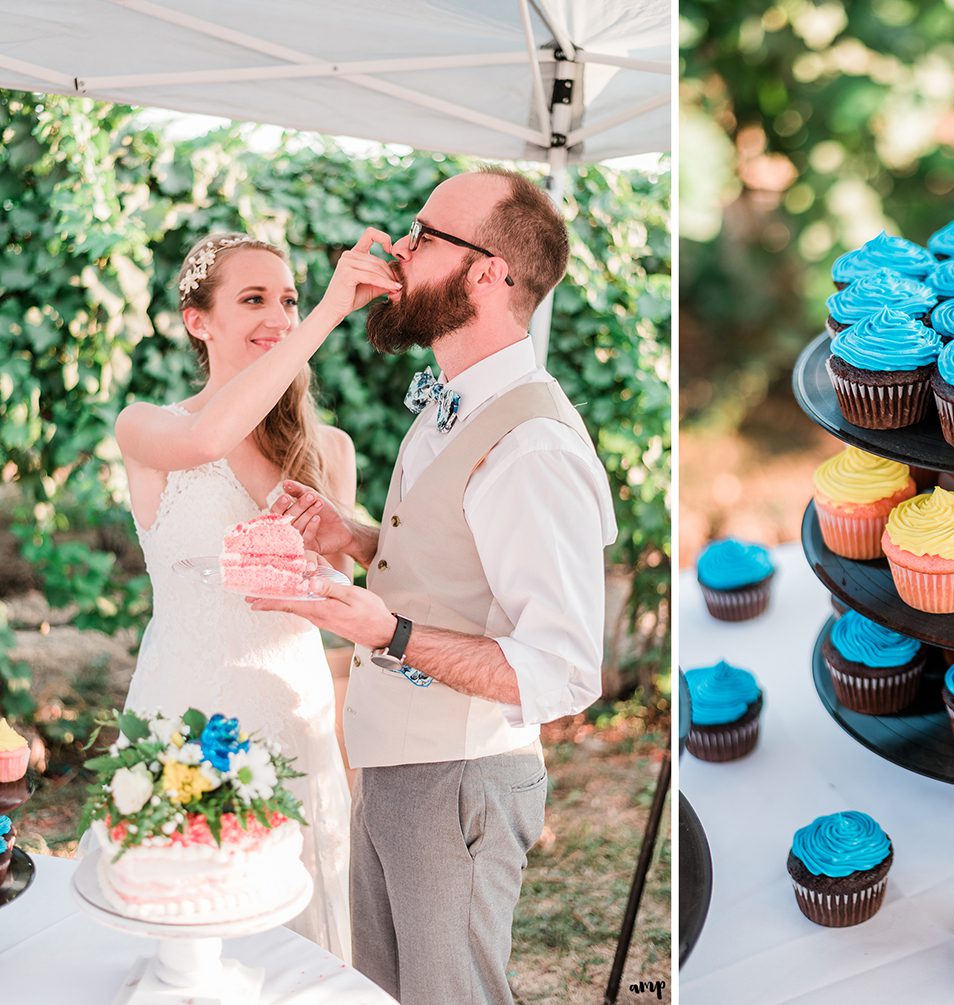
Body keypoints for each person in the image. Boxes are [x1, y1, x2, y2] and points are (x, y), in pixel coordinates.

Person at [250, 168, 617, 1005]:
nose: (399, 249)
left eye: (424, 236)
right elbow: (459, 568)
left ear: (489, 273)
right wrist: (355, 536)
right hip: (394, 761)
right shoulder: (450, 402)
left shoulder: (533, 449)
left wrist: (390, 633)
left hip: (461, 778)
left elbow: (562, 672)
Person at [111, 231, 401, 961]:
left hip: (290, 709)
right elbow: (212, 436)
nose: (277, 312)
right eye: (253, 299)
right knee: (182, 917)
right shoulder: (149, 425)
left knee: (293, 935)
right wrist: (330, 310)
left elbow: (338, 600)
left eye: (289, 299)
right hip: (184, 711)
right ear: (196, 321)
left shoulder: (329, 449)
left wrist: (334, 567)